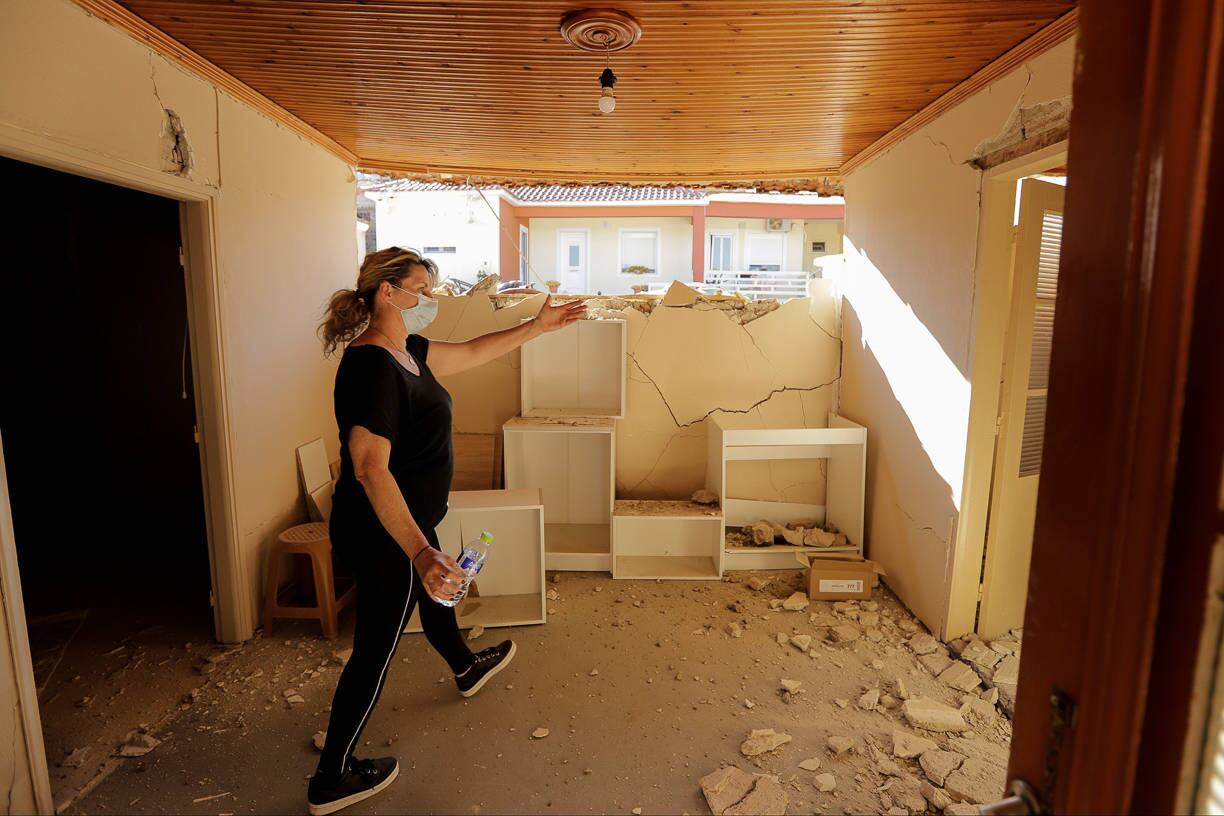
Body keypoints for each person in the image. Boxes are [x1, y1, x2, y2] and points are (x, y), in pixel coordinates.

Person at [308, 247, 586, 815]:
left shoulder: (407, 351)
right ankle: (330, 777)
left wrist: (538, 325)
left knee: (436, 593)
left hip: (412, 518)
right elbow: (368, 466)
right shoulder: (369, 366)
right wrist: (418, 550)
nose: (430, 301)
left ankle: (464, 666)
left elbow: (477, 351)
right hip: (383, 529)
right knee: (376, 651)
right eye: (423, 289)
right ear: (389, 292)